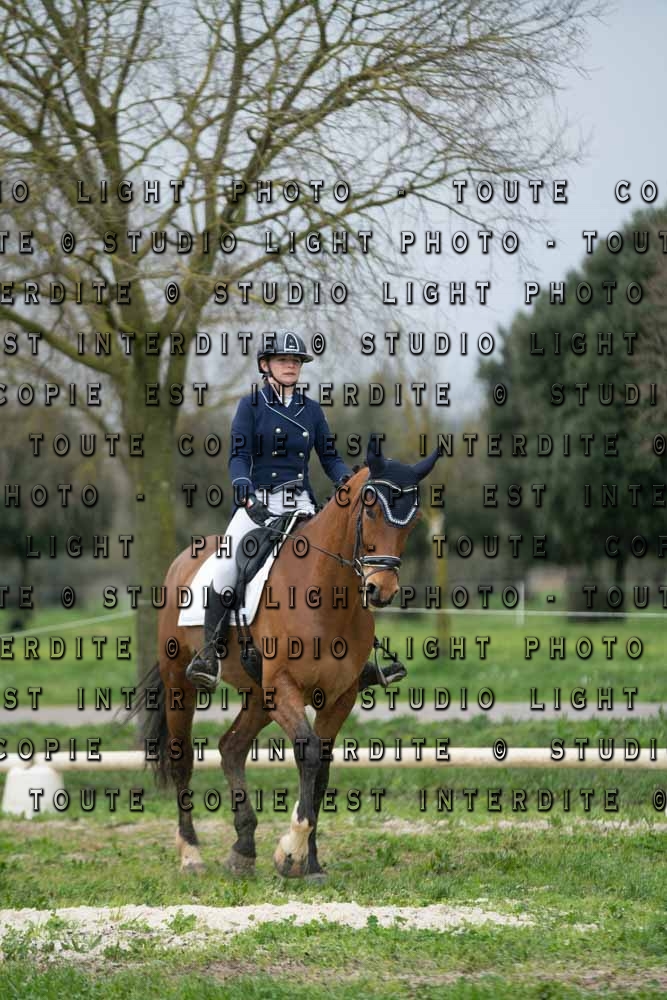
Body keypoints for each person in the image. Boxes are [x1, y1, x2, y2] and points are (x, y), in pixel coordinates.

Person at [185, 330, 406, 691]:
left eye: (296, 361)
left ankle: (357, 657)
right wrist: (245, 492)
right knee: (225, 566)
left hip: (301, 504)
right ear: (265, 365)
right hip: (258, 503)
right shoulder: (250, 406)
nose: (291, 366)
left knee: (342, 563)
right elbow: (238, 457)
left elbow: (330, 458)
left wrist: (348, 483)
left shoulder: (311, 410)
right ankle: (209, 654)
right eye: (283, 360)